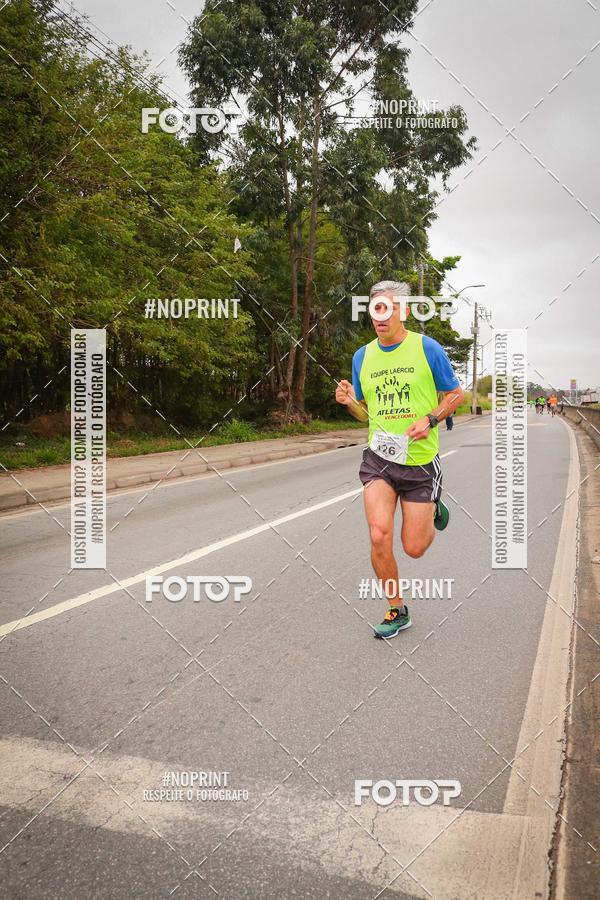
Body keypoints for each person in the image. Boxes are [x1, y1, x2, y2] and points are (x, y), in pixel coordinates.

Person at [335, 280, 464, 639]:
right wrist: (350, 404)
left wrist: (432, 419)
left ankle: (434, 504)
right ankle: (397, 610)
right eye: (374, 309)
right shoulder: (362, 357)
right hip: (379, 460)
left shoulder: (427, 349)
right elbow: (366, 415)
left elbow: (456, 394)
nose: (380, 316)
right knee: (379, 535)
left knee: (415, 547)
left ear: (403, 312)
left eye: (387, 309)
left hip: (420, 462)